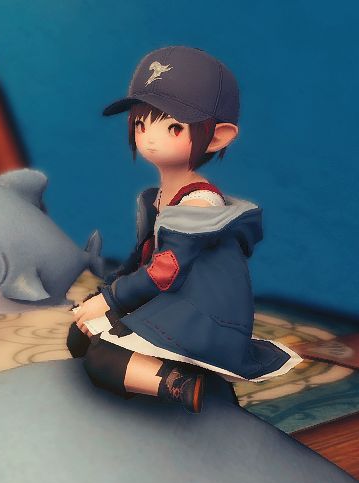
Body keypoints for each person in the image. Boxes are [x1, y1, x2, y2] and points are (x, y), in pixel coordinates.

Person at [68, 46, 300, 412]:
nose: (149, 138)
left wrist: (109, 301)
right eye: (141, 124)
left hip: (202, 315)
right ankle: (158, 380)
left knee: (102, 359)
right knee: (79, 337)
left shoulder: (199, 204)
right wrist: (104, 293)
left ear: (218, 136)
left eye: (173, 127)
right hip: (169, 301)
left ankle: (188, 385)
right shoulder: (157, 197)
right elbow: (142, 259)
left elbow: (164, 271)